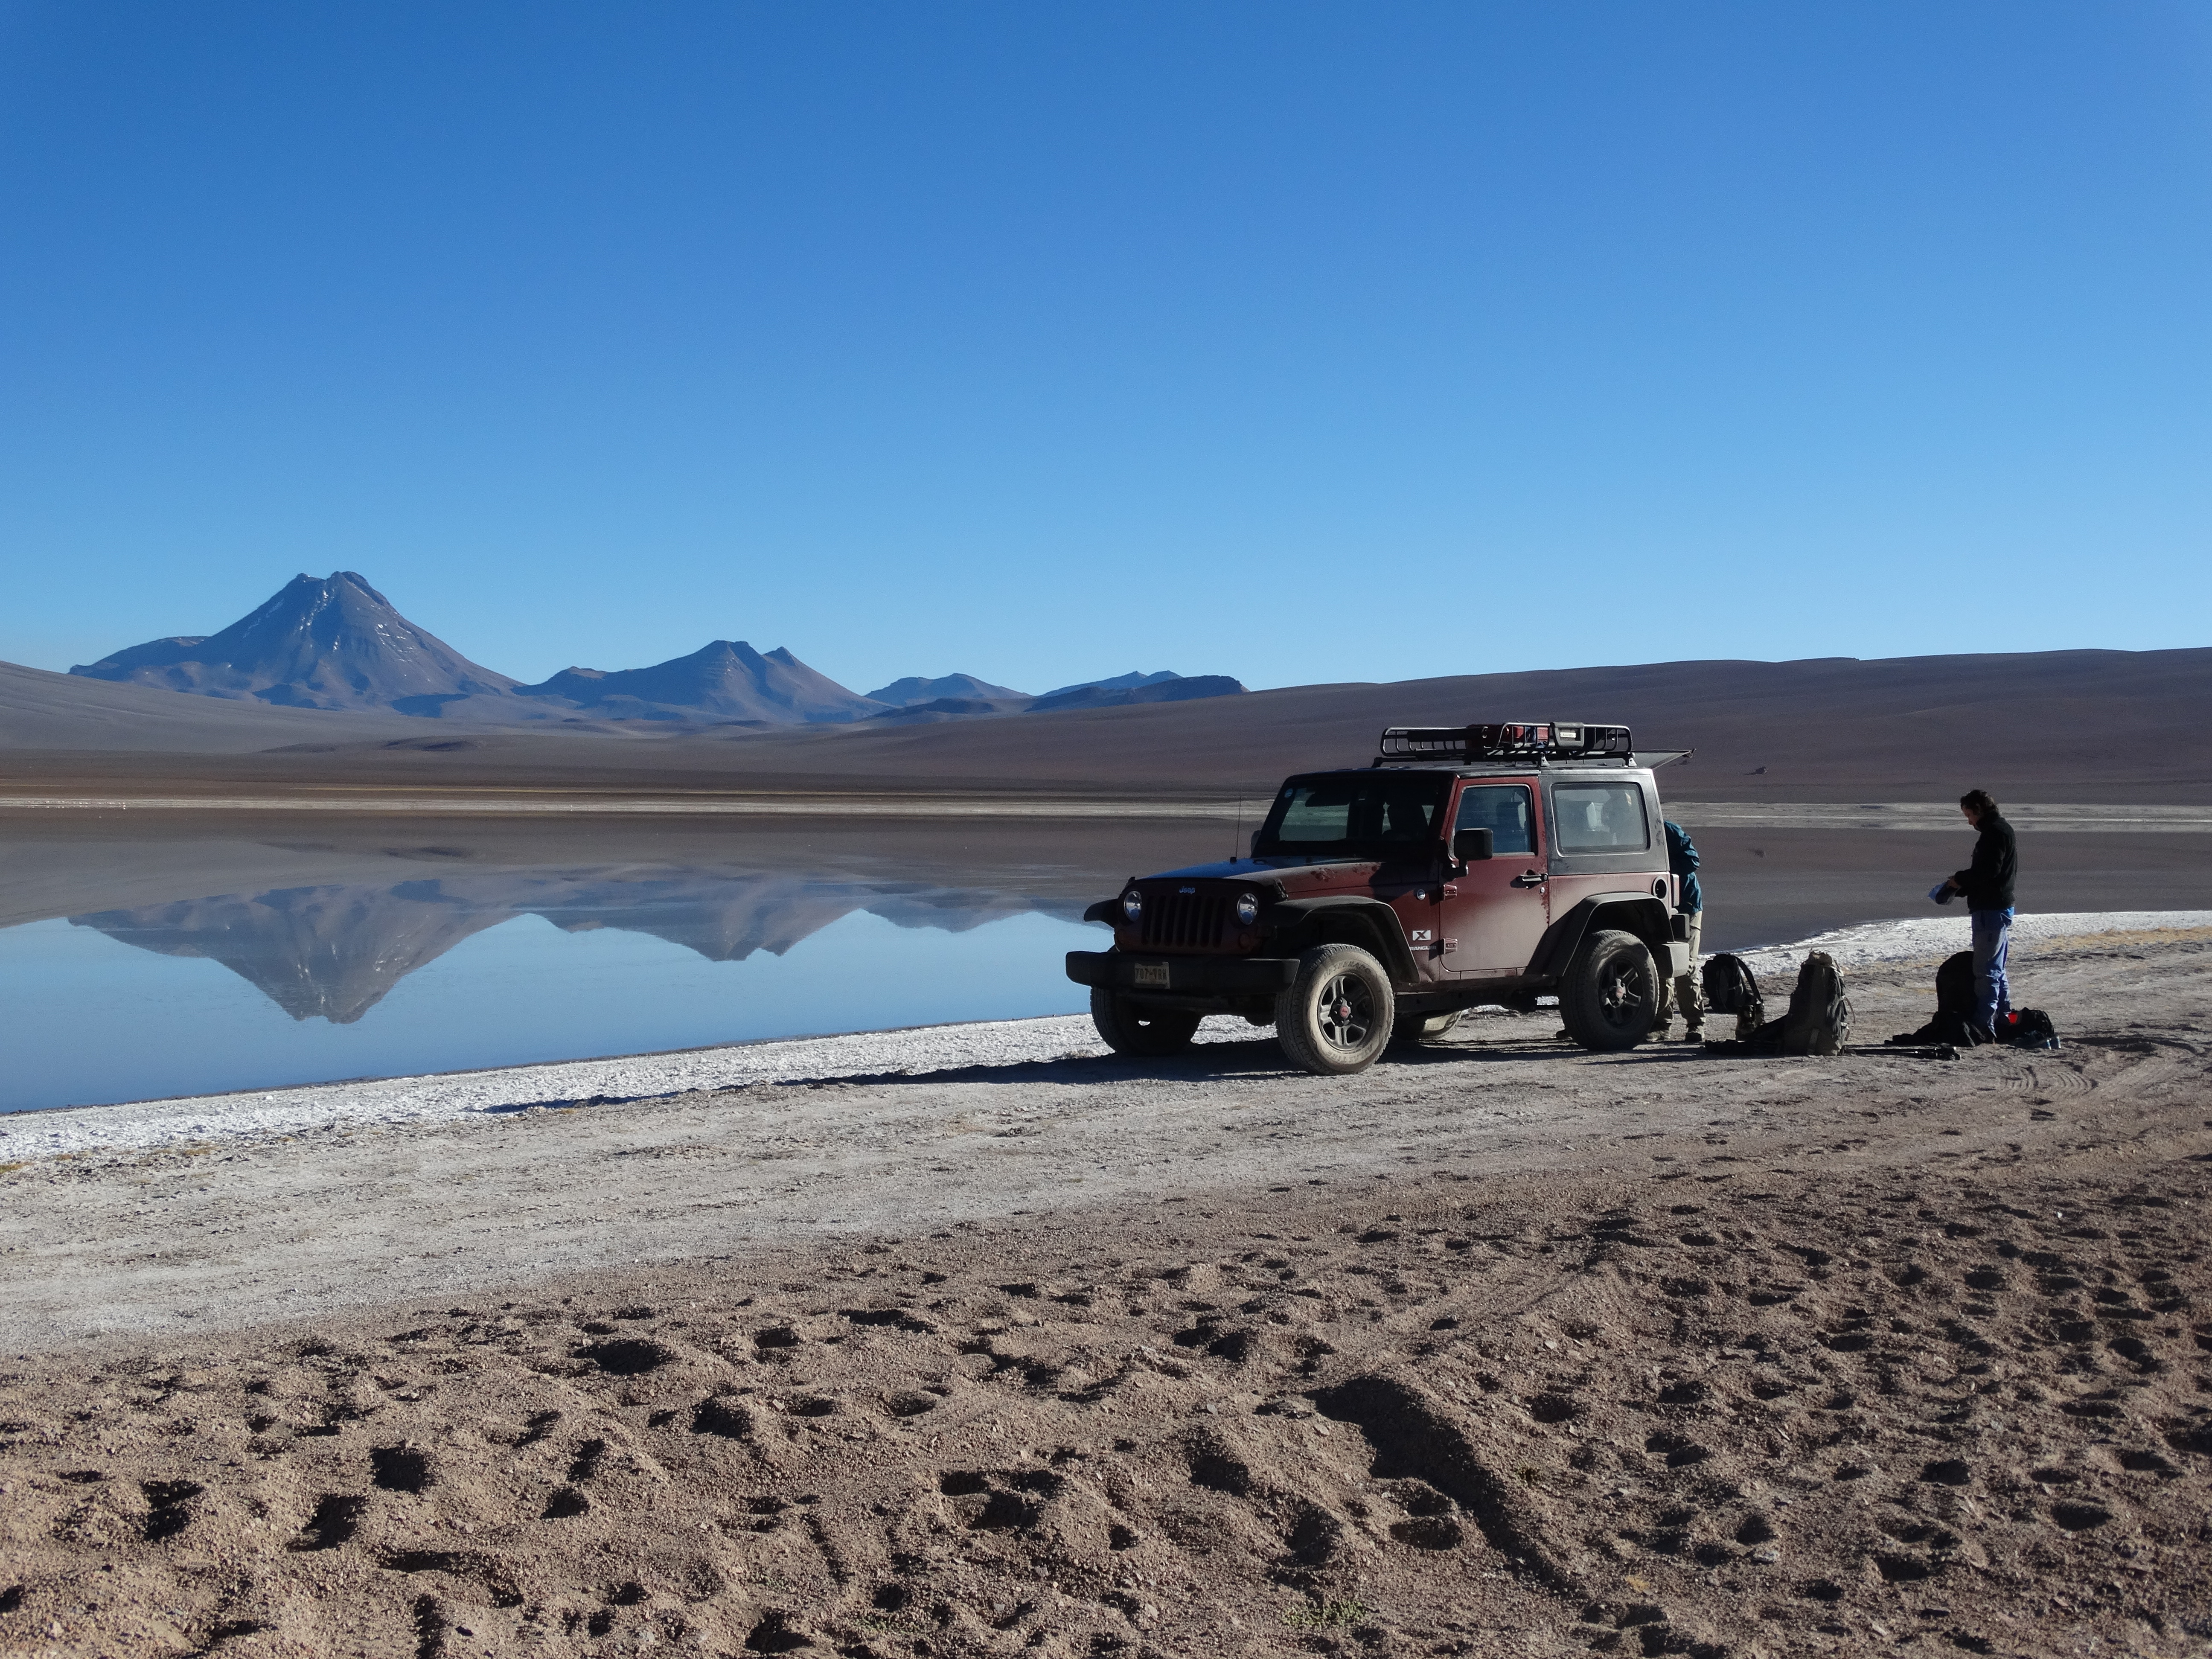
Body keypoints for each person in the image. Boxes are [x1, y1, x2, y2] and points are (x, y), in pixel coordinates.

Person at [1939, 789, 2017, 1041]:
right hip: (1998, 907)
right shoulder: (2000, 830)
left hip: (1991, 911)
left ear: (1980, 810)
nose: (1969, 821)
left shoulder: (1994, 833)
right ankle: (2005, 1022)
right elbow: (1989, 875)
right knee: (1997, 969)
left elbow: (1988, 872)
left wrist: (1959, 881)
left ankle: (1983, 1026)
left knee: (1986, 971)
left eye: (1969, 814)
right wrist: (1961, 887)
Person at [1661, 818, 1704, 1038]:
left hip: (1686, 905)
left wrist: (1661, 868)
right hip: (1658, 906)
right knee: (1660, 966)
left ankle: (1695, 1024)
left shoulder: (1668, 830)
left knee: (1685, 966)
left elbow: (1692, 861)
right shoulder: (1624, 831)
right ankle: (1662, 1025)